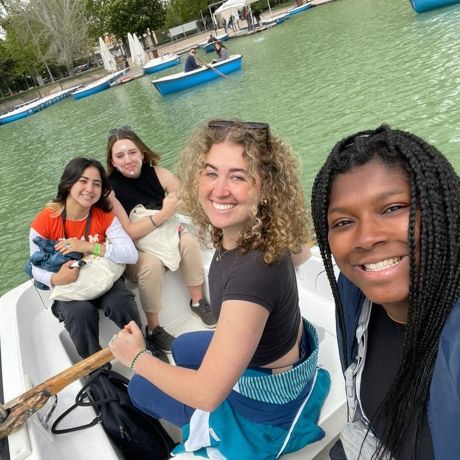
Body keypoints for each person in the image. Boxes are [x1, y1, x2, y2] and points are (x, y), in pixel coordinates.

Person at [109, 119, 330, 458]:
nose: (219, 190)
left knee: (140, 386)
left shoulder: (251, 275)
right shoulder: (268, 232)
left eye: (238, 176)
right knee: (182, 348)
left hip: (265, 403)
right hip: (281, 353)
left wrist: (135, 357)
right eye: (211, 173)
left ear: (266, 188)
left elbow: (209, 393)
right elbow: (300, 253)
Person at [310, 125, 460, 460]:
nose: (366, 238)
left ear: (441, 210)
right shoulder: (355, 297)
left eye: (393, 208)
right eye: (343, 222)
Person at [106, 127, 216, 363]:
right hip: (138, 250)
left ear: (142, 154)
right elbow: (130, 231)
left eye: (132, 152)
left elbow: (184, 196)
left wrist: (175, 212)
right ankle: (154, 329)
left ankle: (198, 302)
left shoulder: (159, 173)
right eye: (120, 156)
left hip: (164, 237)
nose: (128, 160)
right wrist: (165, 214)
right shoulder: (111, 191)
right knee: (152, 265)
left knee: (187, 241)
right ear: (112, 162)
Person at [28, 157, 141, 359]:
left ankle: (142, 348)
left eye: (96, 184)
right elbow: (34, 267)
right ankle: (98, 373)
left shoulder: (103, 216)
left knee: (120, 302)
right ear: (69, 183)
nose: (90, 188)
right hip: (69, 287)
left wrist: (88, 246)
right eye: (83, 181)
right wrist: (55, 279)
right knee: (80, 314)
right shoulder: (45, 220)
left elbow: (130, 254)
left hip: (103, 278)